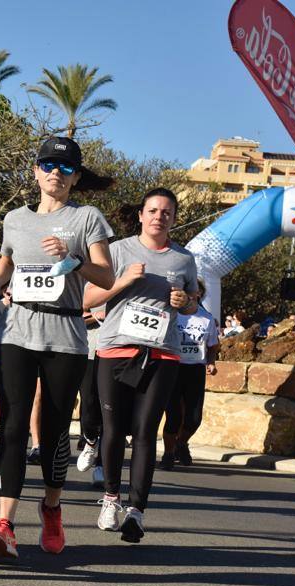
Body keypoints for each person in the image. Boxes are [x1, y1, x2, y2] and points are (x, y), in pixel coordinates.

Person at [0, 136, 115, 558]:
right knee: (13, 426)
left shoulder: (87, 217)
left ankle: (52, 508)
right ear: (36, 171)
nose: (56, 172)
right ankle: (4, 524)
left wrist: (74, 260)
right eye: (49, 164)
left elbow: (106, 278)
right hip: (18, 330)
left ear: (75, 178)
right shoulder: (16, 219)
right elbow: (8, 259)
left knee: (53, 432)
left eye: (66, 167)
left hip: (65, 335)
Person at [84, 187, 199, 543]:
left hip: (162, 352)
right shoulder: (118, 251)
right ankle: (110, 500)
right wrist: (123, 282)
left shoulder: (183, 260)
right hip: (116, 348)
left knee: (146, 430)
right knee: (114, 428)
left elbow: (193, 303)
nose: (159, 216)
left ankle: (136, 512)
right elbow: (88, 298)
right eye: (153, 210)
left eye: (166, 212)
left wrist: (185, 302)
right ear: (141, 215)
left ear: (174, 219)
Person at [161, 278, 219, 470]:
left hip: (195, 369)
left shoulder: (207, 318)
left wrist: (211, 361)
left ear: (198, 295)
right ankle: (168, 454)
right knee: (174, 416)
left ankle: (181, 443)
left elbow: (212, 345)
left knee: (194, 418)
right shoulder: (172, 314)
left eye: (194, 293)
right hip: (173, 367)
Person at [75, 304, 107, 489]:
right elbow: (75, 317)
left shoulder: (129, 285)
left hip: (116, 354)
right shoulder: (89, 285)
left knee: (109, 412)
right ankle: (90, 441)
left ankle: (102, 466)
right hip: (89, 352)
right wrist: (97, 315)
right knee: (88, 405)